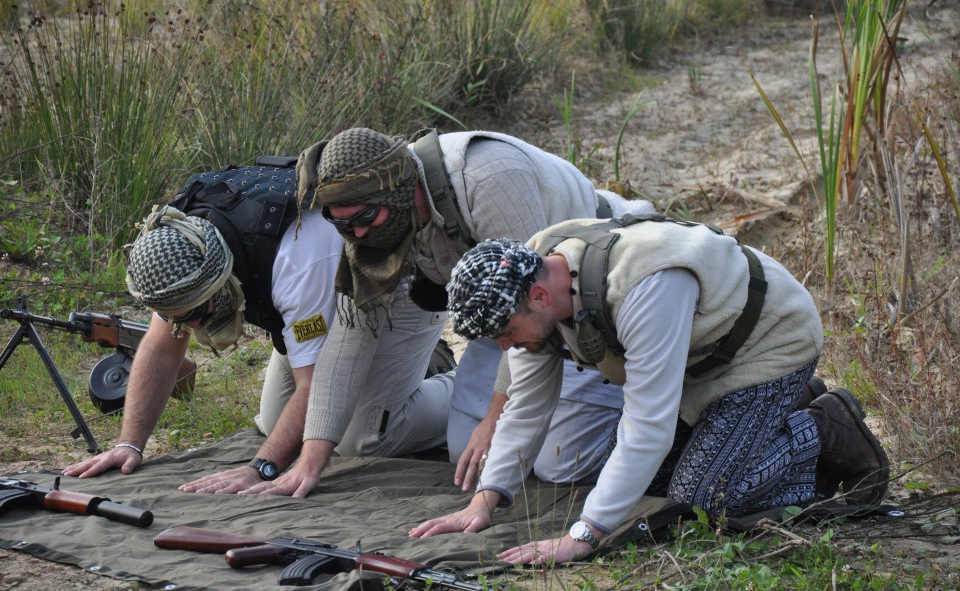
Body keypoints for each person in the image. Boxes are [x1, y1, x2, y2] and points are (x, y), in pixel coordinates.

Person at [409, 218, 889, 565]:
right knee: (644, 489)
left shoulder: (644, 287)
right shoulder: (533, 278)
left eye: (506, 332)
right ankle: (770, 425)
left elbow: (647, 425)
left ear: (539, 298)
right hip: (696, 361)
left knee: (703, 499)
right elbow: (528, 406)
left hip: (767, 346)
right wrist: (486, 500)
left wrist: (584, 535)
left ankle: (820, 426)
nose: (505, 345)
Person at [243, 127, 647, 498]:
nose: (359, 233)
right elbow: (352, 336)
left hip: (584, 298)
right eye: (340, 222)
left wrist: (497, 417)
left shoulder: (488, 180)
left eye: (365, 218)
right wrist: (310, 464)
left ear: (399, 189)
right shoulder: (367, 222)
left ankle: (646, 411)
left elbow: (529, 304)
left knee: (558, 462)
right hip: (506, 321)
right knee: (466, 457)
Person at [63, 163, 346, 493]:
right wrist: (129, 445)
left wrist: (259, 468)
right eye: (178, 317)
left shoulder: (296, 259)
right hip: (309, 317)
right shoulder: (182, 254)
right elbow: (159, 347)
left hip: (386, 299)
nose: (191, 324)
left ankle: (421, 375)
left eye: (197, 312)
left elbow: (314, 384)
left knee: (365, 436)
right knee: (276, 425)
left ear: (221, 278)